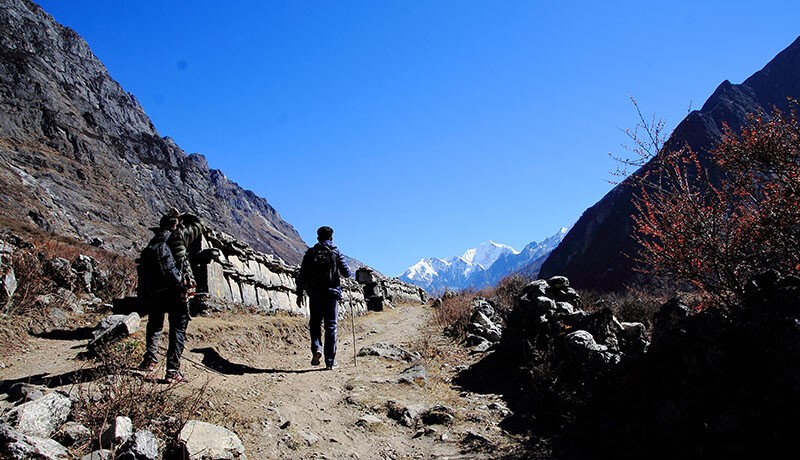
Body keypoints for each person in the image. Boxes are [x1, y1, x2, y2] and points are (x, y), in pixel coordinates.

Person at [138, 208, 204, 383]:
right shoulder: (178, 236)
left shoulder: (152, 243)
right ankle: (172, 371)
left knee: (154, 326)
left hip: (155, 293)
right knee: (177, 330)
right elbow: (199, 225)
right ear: (176, 224)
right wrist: (186, 216)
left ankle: (149, 360)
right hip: (176, 292)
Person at [296, 226, 351, 370]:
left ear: (318, 237)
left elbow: (303, 274)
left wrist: (299, 292)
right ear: (331, 237)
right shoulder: (335, 252)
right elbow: (346, 273)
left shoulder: (311, 252)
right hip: (331, 294)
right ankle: (330, 361)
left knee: (315, 323)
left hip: (314, 293)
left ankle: (316, 348)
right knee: (331, 326)